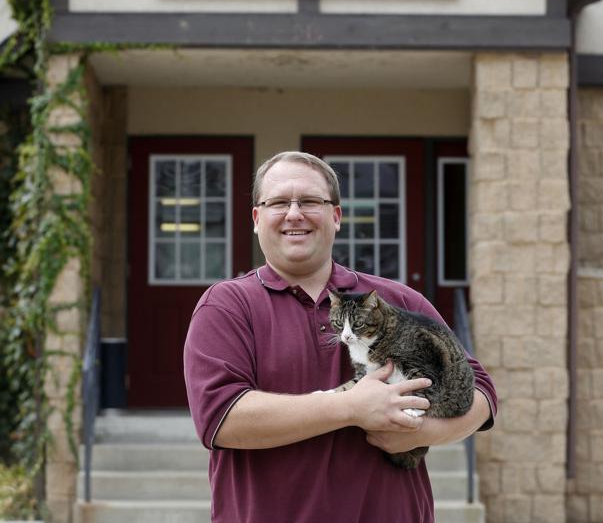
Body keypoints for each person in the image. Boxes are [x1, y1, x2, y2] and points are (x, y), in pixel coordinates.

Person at [184, 151, 497, 523]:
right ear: (256, 218)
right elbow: (220, 419)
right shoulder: (226, 306)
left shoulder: (396, 300)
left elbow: (482, 392)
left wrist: (419, 432)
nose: (294, 213)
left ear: (336, 216)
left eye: (311, 201)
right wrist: (350, 407)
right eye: (279, 202)